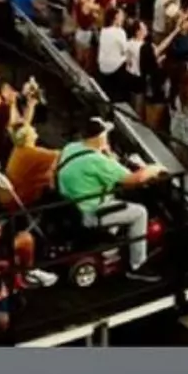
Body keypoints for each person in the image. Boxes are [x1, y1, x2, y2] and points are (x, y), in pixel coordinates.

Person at [55, 117, 167, 273]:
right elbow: (134, 179)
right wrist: (155, 168)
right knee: (140, 212)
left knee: (119, 199)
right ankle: (138, 265)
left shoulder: (71, 148)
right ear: (101, 136)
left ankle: (115, 243)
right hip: (93, 212)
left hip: (74, 206)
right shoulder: (97, 161)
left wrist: (105, 152)